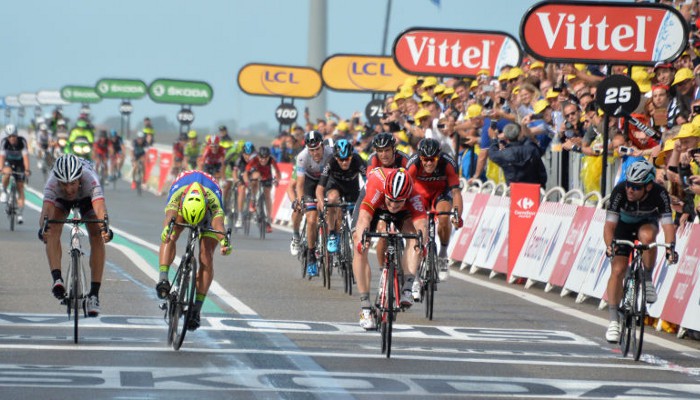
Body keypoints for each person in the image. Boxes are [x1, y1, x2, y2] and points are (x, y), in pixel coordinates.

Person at [603, 159, 678, 343]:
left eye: (636, 187)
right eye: (629, 184)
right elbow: (609, 226)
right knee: (618, 270)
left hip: (646, 224)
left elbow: (668, 227)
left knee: (647, 238)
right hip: (623, 227)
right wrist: (609, 245)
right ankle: (613, 320)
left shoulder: (660, 194)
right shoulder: (620, 191)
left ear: (649, 187)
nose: (630, 189)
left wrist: (670, 248)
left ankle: (647, 277)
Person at [155, 170, 231, 331]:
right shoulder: (178, 193)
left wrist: (224, 240)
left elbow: (218, 224)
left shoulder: (213, 199)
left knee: (206, 256)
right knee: (170, 235)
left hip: (207, 210)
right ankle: (162, 278)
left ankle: (196, 309)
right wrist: (166, 229)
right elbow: (170, 215)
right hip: (185, 205)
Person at [352, 167, 428, 329]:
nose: (393, 205)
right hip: (374, 205)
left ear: (406, 196)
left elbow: (422, 224)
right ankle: (365, 307)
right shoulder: (376, 186)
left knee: (415, 238)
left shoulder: (413, 194)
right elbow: (364, 217)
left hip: (404, 211)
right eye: (391, 201)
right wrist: (362, 240)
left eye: (398, 201)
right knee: (359, 245)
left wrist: (423, 244)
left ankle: (407, 287)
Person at [38, 154, 113, 316]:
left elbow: (100, 208)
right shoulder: (52, 183)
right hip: (61, 200)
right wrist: (44, 227)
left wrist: (105, 228)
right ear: (58, 181)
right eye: (64, 184)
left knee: (96, 234)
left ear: (79, 178)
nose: (69, 188)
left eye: (72, 183)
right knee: (51, 230)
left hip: (87, 197)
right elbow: (46, 211)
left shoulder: (89, 178)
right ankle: (57, 279)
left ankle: (94, 295)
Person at [406, 138, 463, 287]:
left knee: (444, 218)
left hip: (440, 193)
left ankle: (443, 255)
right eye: (425, 159)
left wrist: (457, 214)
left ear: (439, 157)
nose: (429, 163)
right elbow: (404, 191)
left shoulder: (448, 163)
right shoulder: (412, 164)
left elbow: (456, 192)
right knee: (419, 229)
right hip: (419, 194)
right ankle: (415, 274)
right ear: (420, 157)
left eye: (433, 159)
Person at [316, 139, 367, 253]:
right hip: (334, 185)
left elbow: (369, 181)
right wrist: (321, 202)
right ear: (335, 158)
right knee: (333, 199)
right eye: (341, 159)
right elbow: (320, 187)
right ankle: (332, 233)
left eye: (347, 158)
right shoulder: (330, 162)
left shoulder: (357, 160)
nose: (344, 162)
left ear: (351, 156)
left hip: (352, 187)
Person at [294, 131, 334, 276]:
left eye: (317, 149)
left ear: (322, 145)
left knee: (332, 208)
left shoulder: (331, 153)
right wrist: (301, 200)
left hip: (326, 182)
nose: (315, 153)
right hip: (310, 183)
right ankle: (311, 255)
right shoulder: (302, 157)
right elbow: (299, 184)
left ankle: (332, 236)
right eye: (312, 150)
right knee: (311, 220)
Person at [487, 123, 548, 188]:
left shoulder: (503, 154)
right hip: (534, 189)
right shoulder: (532, 149)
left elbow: (492, 153)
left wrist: (494, 139)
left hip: (513, 190)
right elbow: (541, 172)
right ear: (519, 134)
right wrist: (541, 186)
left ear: (505, 137)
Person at [243, 146, 281, 233]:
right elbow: (246, 173)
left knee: (267, 196)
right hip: (257, 175)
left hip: (267, 177)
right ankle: (253, 199)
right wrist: (246, 182)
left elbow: (278, 172)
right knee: (255, 178)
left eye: (265, 158)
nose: (263, 160)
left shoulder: (272, 160)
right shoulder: (254, 159)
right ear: (258, 156)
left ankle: (268, 220)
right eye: (261, 158)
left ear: (268, 157)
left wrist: (277, 180)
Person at [0, 125, 31, 223]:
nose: (12, 138)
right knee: (7, 172)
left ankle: (20, 214)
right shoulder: (4, 142)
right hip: (8, 162)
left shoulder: (22, 142)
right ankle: (4, 190)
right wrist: (1, 168)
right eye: (10, 136)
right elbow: (1, 157)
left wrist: (27, 170)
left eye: (13, 136)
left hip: (19, 163)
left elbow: (25, 157)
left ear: (17, 135)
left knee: (20, 187)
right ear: (7, 137)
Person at [233, 141, 257, 229]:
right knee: (242, 189)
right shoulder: (239, 159)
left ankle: (254, 198)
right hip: (243, 175)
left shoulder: (256, 158)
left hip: (252, 174)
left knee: (255, 181)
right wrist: (236, 180)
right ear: (242, 153)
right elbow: (234, 172)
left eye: (250, 154)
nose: (247, 156)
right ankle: (239, 216)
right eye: (245, 154)